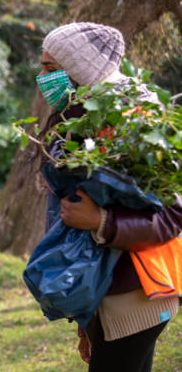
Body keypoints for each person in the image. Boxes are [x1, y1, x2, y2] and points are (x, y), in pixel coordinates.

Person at [36, 22, 182, 372]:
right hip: (105, 291)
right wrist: (86, 320)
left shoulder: (136, 121)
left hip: (139, 289)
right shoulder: (75, 118)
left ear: (81, 71)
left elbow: (173, 217)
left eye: (52, 69)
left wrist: (100, 221)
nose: (42, 77)